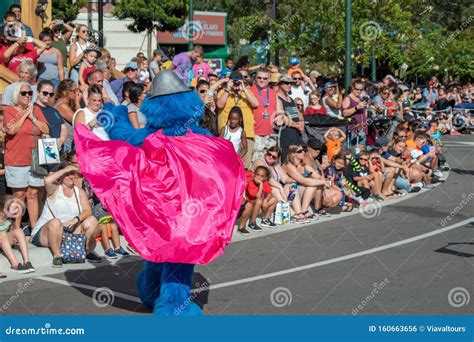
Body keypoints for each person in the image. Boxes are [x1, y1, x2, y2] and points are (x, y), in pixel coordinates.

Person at [31, 163, 101, 267]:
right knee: (56, 223)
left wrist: (76, 219)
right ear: (61, 176)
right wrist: (67, 168)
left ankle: (84, 250)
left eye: (72, 174)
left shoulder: (79, 191)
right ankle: (57, 256)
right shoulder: (54, 189)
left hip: (69, 229)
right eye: (67, 174)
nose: (70, 176)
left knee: (92, 220)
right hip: (48, 231)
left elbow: (87, 211)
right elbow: (47, 180)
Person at [3, 83, 50, 231]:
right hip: (16, 159)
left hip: (34, 158)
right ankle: (16, 229)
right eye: (24, 93)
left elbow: (46, 129)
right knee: (19, 195)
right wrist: (24, 114)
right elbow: (11, 130)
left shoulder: (36, 110)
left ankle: (34, 228)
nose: (28, 95)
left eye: (30, 92)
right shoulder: (9, 111)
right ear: (16, 96)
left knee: (33, 193)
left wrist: (33, 118)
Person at [217, 71, 259, 168]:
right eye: (234, 82)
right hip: (227, 136)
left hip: (246, 135)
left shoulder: (246, 92)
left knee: (243, 167)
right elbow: (220, 105)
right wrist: (228, 89)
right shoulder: (223, 92)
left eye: (238, 82)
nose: (236, 84)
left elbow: (255, 104)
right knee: (226, 166)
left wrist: (243, 88)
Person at [283, 145, 329, 221]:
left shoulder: (304, 165)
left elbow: (318, 176)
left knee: (316, 184)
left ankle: (306, 210)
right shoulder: (288, 165)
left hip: (299, 192)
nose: (303, 152)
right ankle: (301, 212)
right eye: (300, 151)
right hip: (290, 193)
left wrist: (324, 182)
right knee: (312, 184)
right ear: (293, 154)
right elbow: (303, 180)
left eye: (303, 150)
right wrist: (323, 182)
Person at [250, 68, 282, 161]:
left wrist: (280, 117)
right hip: (255, 134)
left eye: (265, 78)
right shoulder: (250, 91)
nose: (261, 80)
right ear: (255, 78)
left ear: (269, 79)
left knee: (271, 163)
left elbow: (279, 111)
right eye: (259, 77)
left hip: (270, 135)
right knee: (256, 163)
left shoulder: (273, 93)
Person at [0, 195, 35, 273]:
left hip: (4, 242)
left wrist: (14, 238)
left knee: (19, 230)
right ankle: (14, 264)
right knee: (2, 234)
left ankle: (27, 262)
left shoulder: (11, 217)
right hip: (1, 238)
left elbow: (11, 231)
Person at [238, 166, 277, 235]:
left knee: (274, 199)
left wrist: (265, 200)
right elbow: (258, 196)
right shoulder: (251, 183)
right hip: (249, 207)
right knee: (259, 201)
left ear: (265, 178)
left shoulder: (264, 182)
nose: (258, 177)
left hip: (258, 207)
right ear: (254, 174)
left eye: (262, 176)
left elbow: (270, 192)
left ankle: (266, 219)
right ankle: (252, 223)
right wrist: (261, 185)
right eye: (257, 174)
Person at [276, 74, 304, 163]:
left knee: (297, 162)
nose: (289, 85)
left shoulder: (291, 99)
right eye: (286, 83)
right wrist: (297, 125)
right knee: (286, 162)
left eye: (290, 83)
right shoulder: (277, 98)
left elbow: (298, 115)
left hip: (296, 136)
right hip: (285, 136)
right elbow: (282, 117)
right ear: (280, 84)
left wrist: (301, 125)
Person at [35, 80, 68, 152]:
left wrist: (61, 140)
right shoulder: (32, 109)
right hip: (41, 150)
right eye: (45, 93)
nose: (48, 96)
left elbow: (63, 127)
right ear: (37, 93)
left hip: (59, 150)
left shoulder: (54, 110)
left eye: (51, 94)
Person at [55, 79, 81, 153]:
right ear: (64, 92)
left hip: (70, 143)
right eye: (74, 91)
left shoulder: (66, 104)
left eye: (77, 90)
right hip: (66, 145)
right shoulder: (62, 106)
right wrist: (77, 102)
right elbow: (79, 122)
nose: (76, 93)